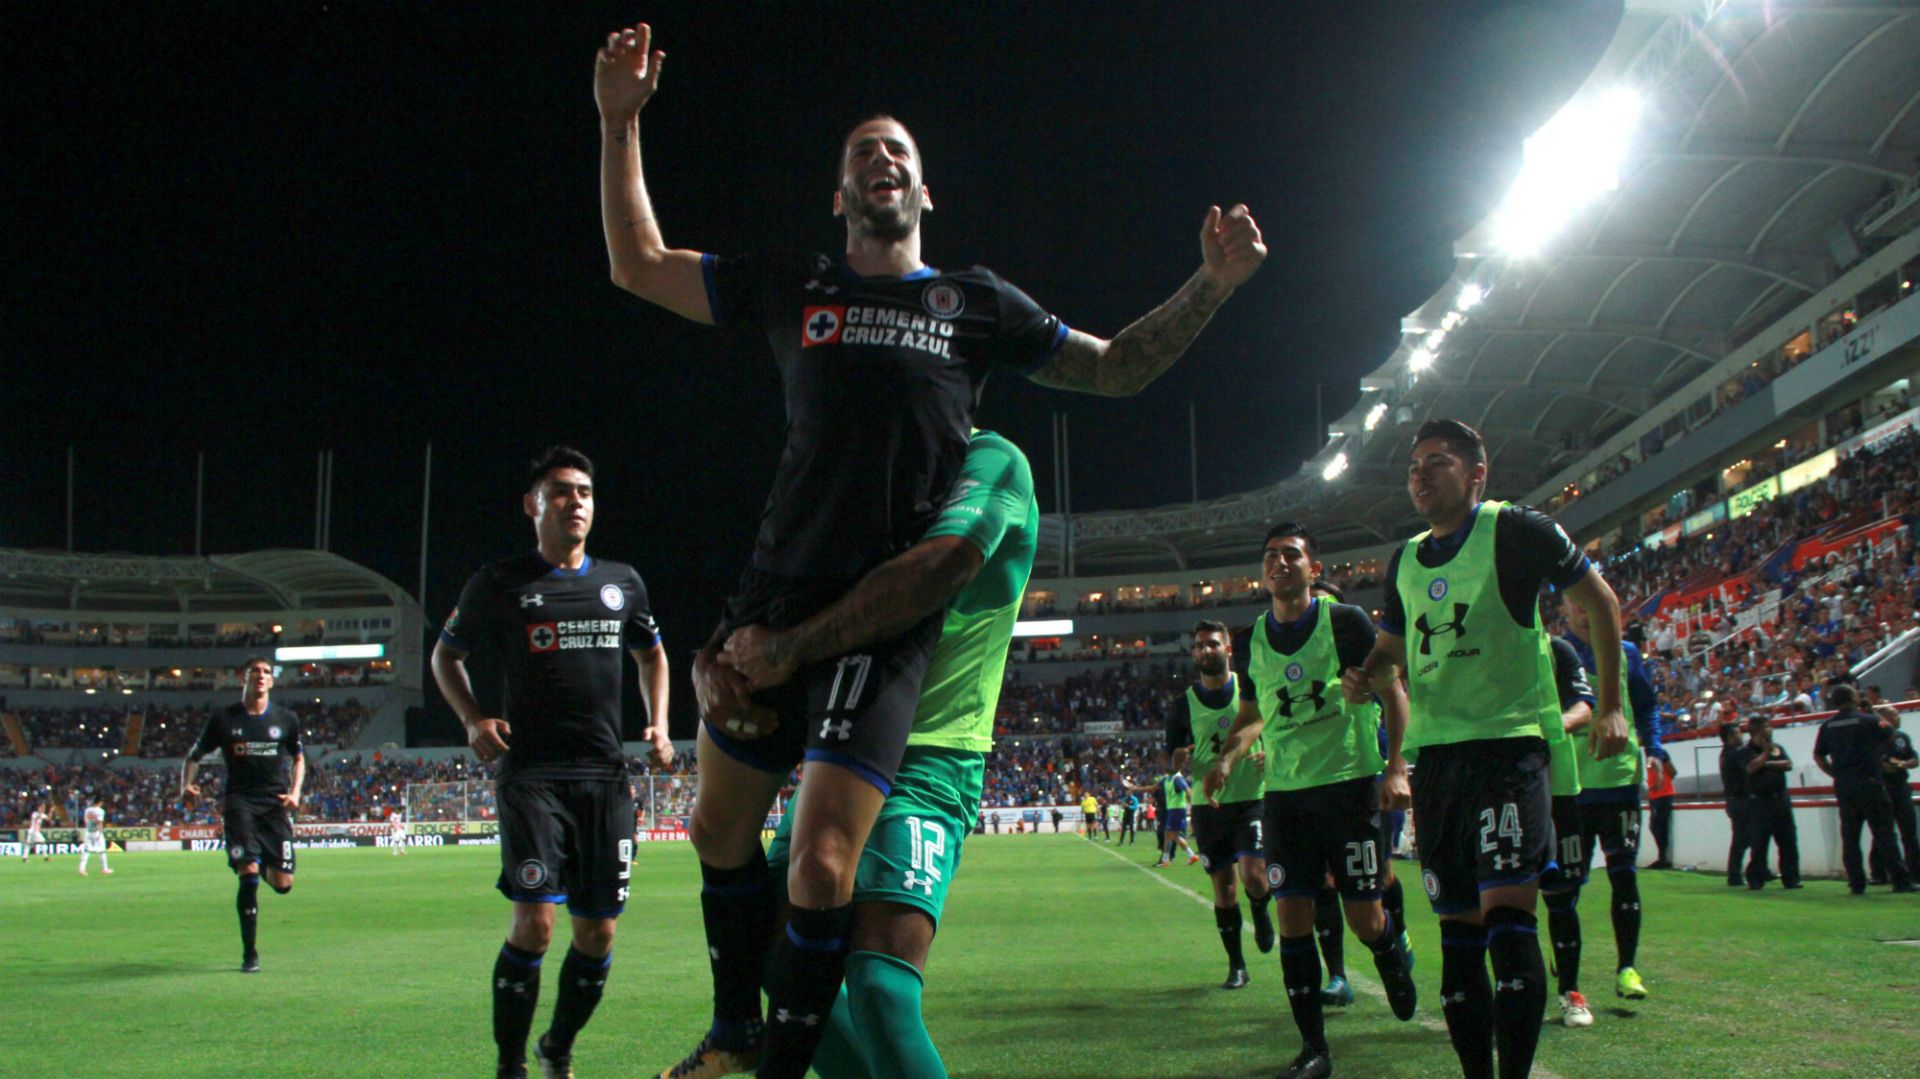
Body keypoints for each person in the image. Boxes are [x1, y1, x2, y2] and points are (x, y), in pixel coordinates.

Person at [594, 23, 1265, 1079]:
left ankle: (774, 1062)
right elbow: (637, 264)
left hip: (877, 619)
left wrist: (1212, 286)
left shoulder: (976, 304)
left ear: (925, 192)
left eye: (899, 149)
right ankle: (735, 1025)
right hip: (770, 596)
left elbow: (1119, 368)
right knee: (722, 838)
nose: (882, 157)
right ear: (838, 194)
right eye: (862, 149)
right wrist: (619, 122)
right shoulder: (800, 287)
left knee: (819, 866)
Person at [714, 426, 1038, 1079]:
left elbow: (934, 569)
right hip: (843, 752)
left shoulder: (991, 458)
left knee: (883, 990)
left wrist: (788, 648)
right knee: (776, 957)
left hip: (932, 755)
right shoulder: (862, 478)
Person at [1344, 419, 1629, 1079]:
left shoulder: (1518, 529)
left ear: (1478, 473)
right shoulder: (1407, 559)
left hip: (1509, 753)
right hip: (1438, 766)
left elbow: (1602, 601)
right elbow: (1388, 653)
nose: (1419, 473)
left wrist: (1610, 705)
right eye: (1414, 465)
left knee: (1508, 920)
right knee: (1459, 937)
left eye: (1437, 462)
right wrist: (1367, 677)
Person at [431, 446, 674, 1079]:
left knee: (598, 937)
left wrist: (659, 721)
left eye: (586, 492)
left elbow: (652, 655)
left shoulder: (623, 583)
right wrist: (473, 719)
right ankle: (510, 1063)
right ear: (532, 504)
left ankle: (557, 1046)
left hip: (604, 778)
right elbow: (444, 657)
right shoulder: (498, 582)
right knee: (535, 925)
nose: (576, 502)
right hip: (531, 776)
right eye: (562, 491)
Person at [1209, 524, 1417, 1079]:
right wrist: (1227, 758)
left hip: (1348, 789)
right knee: (1294, 918)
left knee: (1363, 919)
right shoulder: (1252, 639)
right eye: (1271, 554)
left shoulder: (1344, 623)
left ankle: (1391, 954)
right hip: (1285, 798)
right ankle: (1314, 1051)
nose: (1280, 562)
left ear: (1314, 568)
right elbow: (1253, 716)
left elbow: (1393, 689)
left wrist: (1395, 766)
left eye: (1292, 554)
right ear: (1262, 571)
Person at [1556, 591, 1663, 1005]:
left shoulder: (1626, 652)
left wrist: (1653, 746)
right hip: (1573, 785)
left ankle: (1627, 968)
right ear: (1564, 608)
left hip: (1620, 780)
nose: (1583, 610)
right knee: (1568, 886)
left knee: (1624, 874)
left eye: (1589, 601)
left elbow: (1646, 704)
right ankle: (1568, 977)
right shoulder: (1556, 652)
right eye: (1575, 602)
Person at [181, 657, 306, 974]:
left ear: (272, 682)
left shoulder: (286, 719)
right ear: (244, 678)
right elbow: (194, 756)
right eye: (255, 672)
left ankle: (260, 864)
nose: (261, 676)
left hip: (275, 805)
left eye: (266, 672)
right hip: (240, 803)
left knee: (283, 883)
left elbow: (299, 758)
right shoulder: (224, 719)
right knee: (247, 874)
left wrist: (295, 793)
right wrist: (187, 784)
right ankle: (250, 954)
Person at [1171, 619, 1274, 991]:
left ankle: (1262, 911)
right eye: (1199, 646)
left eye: (1213, 644)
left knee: (1255, 877)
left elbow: (1272, 726)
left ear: (1228, 649)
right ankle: (1237, 966)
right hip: (1208, 804)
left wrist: (1271, 754)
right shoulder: (1183, 703)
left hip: (1252, 798)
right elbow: (1173, 754)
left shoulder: (1252, 691)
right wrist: (1178, 759)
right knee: (1224, 891)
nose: (1205, 650)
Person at [1537, 634, 1596, 1027]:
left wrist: (1558, 722)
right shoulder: (1488, 645)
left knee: (1562, 898)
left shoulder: (1557, 649)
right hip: (1502, 786)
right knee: (1506, 895)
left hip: (1559, 787)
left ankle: (1571, 990)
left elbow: (1584, 707)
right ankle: (1513, 991)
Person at [1812, 684, 1915, 894]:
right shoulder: (1868, 720)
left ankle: (1857, 883)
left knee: (1850, 837)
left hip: (1844, 785)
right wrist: (1872, 711)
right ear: (1853, 698)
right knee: (1884, 833)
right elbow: (1891, 733)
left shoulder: (1827, 726)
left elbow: (1819, 756)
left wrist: (1835, 774)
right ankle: (1900, 880)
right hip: (1870, 783)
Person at [1741, 717, 1799, 890]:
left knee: (1788, 841)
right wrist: (1766, 754)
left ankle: (1791, 879)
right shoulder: (1744, 751)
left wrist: (1766, 763)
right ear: (1757, 731)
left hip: (1780, 799)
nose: (1770, 730)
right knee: (1759, 843)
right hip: (1760, 802)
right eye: (1766, 727)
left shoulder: (1778, 748)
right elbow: (1750, 768)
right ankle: (1756, 878)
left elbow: (1788, 764)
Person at [1873, 705, 1919, 884]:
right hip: (1883, 788)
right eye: (1894, 714)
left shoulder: (1902, 737)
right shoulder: (1876, 738)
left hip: (1901, 787)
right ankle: (1880, 873)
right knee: (1884, 832)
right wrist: (1893, 765)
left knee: (1909, 832)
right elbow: (1881, 763)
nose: (1898, 717)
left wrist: (1905, 764)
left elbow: (1914, 758)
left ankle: (1915, 872)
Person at [1129, 759, 1198, 868]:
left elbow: (1188, 790)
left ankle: (1170, 859)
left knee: (1170, 835)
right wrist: (1137, 788)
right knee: (1171, 835)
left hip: (1177, 810)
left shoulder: (1177, 779)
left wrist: (1193, 805)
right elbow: (1152, 788)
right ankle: (1188, 856)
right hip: (1172, 810)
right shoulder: (1167, 779)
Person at [1718, 722, 1751, 887]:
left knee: (1744, 837)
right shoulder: (1736, 754)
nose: (1742, 735)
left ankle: (1743, 871)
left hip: (1733, 800)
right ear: (1731, 737)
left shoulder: (1725, 754)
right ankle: (1735, 874)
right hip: (1739, 799)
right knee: (1742, 838)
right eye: (1738, 733)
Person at [1644, 754, 1677, 869]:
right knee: (1658, 826)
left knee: (1657, 826)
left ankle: (1662, 858)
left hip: (1662, 795)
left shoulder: (1658, 754)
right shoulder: (1654, 755)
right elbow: (1672, 772)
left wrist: (1658, 784)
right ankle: (1662, 857)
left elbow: (1671, 772)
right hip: (1657, 796)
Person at [77, 803, 111, 876]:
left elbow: (86, 821)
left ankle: (81, 869)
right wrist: (100, 833)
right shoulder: (100, 811)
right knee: (102, 851)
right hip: (96, 832)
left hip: (88, 832)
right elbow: (100, 823)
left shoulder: (87, 810)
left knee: (86, 851)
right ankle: (105, 869)